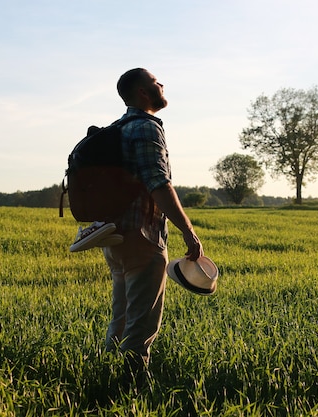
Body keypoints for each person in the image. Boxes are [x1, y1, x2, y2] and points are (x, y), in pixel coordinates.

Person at [102, 68, 203, 390]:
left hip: (114, 235)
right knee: (142, 323)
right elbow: (158, 181)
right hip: (142, 237)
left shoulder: (117, 129)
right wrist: (188, 231)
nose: (162, 85)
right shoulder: (145, 127)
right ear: (143, 92)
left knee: (121, 316)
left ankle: (105, 378)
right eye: (156, 82)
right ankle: (132, 390)